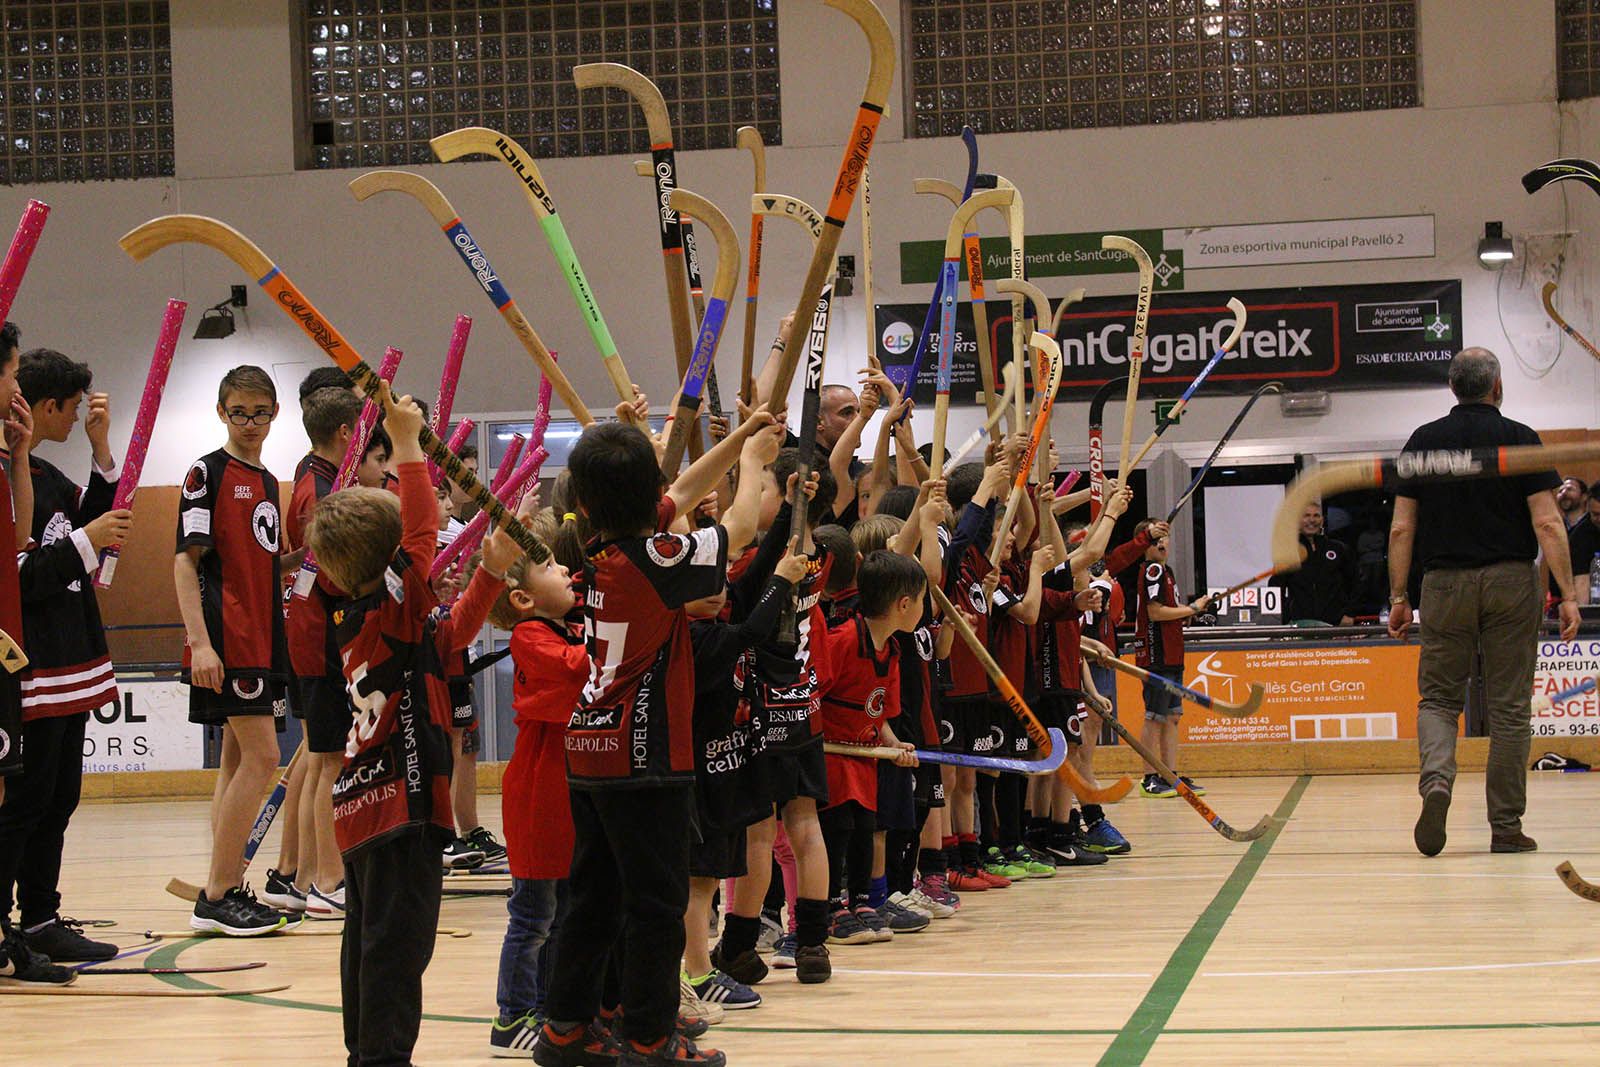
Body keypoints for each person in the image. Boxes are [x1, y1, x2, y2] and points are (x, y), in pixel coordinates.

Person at [531, 411, 777, 1067]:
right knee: (656, 906)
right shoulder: (660, 558)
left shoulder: (597, 549)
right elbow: (741, 526)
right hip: (645, 759)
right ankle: (649, 1036)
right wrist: (754, 466)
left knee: (593, 898)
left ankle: (567, 1027)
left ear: (583, 501)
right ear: (648, 497)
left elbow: (686, 490)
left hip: (589, 750)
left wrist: (741, 434)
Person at [307, 385, 517, 1066]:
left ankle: (362, 1051)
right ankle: (380, 1058)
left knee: (369, 943)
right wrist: (405, 442)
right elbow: (424, 532)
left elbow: (450, 636)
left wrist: (487, 571)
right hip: (401, 802)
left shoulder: (363, 613)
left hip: (365, 807)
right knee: (396, 952)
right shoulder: (391, 600)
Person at [1387, 347, 1579, 857]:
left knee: (1439, 700)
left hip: (1443, 583)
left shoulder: (1422, 443)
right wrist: (1565, 594)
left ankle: (1437, 785)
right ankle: (1506, 827)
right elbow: (1546, 522)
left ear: (1455, 388)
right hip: (1511, 580)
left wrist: (1399, 596)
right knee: (1510, 709)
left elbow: (1402, 526)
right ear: (1496, 386)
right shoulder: (1520, 439)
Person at [0, 349, 127, 964]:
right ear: (46, 405)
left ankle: (42, 915)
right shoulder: (9, 478)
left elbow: (101, 533)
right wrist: (87, 540)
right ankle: (8, 927)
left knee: (59, 799)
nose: (78, 416)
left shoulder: (44, 473)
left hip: (73, 660)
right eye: (75, 410)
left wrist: (104, 455)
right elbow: (20, 576)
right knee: (25, 803)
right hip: (33, 667)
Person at [175, 366, 293, 936]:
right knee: (266, 759)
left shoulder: (268, 481)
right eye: (240, 412)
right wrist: (200, 642)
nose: (251, 423)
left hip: (265, 640)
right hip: (229, 639)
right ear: (222, 412)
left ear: (275, 414)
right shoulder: (207, 472)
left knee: (236, 762)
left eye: (261, 412)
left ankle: (223, 883)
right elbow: (185, 560)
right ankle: (218, 893)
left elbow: (263, 562)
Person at [274, 382, 387, 921]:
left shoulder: (318, 480)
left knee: (322, 760)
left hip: (317, 634)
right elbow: (334, 568)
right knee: (327, 763)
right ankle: (327, 880)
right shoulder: (318, 488)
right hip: (320, 638)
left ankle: (301, 876)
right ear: (347, 433)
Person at [483, 497, 578, 1056]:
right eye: (549, 567)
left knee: (562, 913)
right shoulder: (532, 638)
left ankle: (546, 1008)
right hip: (540, 795)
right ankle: (511, 1014)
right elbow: (579, 672)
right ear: (521, 598)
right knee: (533, 915)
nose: (565, 572)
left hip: (566, 793)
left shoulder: (563, 628)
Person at [0, 322, 64, 987]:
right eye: (11, 370)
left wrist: (17, 454)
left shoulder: (5, 455)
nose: (17, 384)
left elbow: (18, 535)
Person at [816, 551, 923, 943]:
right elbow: (813, 693)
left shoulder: (891, 651)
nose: (923, 610)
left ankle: (860, 901)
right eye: (923, 601)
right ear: (904, 605)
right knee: (837, 829)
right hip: (831, 757)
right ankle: (828, 908)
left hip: (863, 758)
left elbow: (881, 716)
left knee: (865, 828)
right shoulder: (842, 640)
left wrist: (896, 745)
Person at [1132, 520, 1214, 799]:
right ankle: (1149, 777)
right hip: (1157, 654)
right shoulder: (1152, 570)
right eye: (1156, 539)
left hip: (1173, 653)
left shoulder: (1167, 572)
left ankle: (1170, 774)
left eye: (1165, 538)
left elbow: (1172, 611)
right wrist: (1188, 609)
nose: (1163, 544)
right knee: (1155, 717)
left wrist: (1192, 611)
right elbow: (1155, 613)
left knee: (1173, 716)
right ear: (1145, 543)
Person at [1276, 501, 1360, 626]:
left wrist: (1350, 614)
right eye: (1307, 516)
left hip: (1336, 624)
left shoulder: (1339, 549)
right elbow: (1277, 588)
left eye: (1316, 516)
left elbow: (1356, 584)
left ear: (1322, 520)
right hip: (1301, 624)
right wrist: (1284, 619)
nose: (1312, 520)